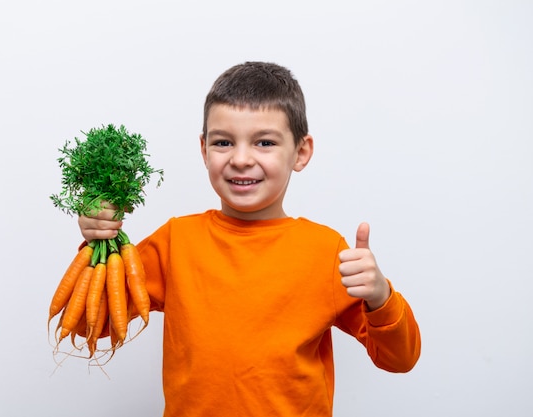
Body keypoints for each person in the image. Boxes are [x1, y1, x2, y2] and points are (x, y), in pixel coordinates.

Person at [78, 61, 421, 417]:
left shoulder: (325, 251)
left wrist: (380, 296)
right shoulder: (175, 242)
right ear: (204, 149)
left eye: (265, 142)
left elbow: (400, 359)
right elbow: (95, 325)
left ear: (300, 153)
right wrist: (98, 244)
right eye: (224, 142)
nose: (241, 159)